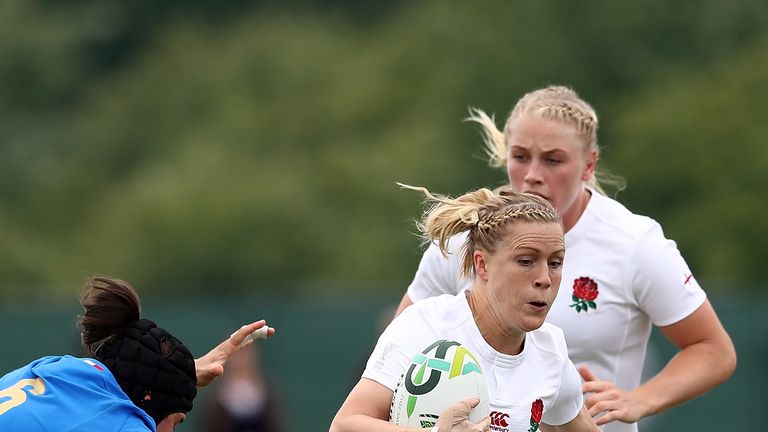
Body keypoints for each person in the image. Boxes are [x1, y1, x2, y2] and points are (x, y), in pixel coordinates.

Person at [395, 86, 737, 431]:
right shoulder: (469, 235)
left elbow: (713, 350)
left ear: (588, 165)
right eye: (520, 156)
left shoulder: (635, 244)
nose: (532, 174)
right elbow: (400, 349)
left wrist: (639, 399)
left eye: (553, 160)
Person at [330, 187, 599, 432]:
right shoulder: (425, 325)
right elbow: (344, 426)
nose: (545, 278)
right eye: (526, 260)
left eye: (555, 262)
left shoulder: (550, 350)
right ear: (481, 265)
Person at [0, 276, 275, 431]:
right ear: (147, 400)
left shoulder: (58, 368)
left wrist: (177, 375)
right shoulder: (126, 426)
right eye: (176, 424)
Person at [202, 345, 288, 432]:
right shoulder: (217, 398)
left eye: (245, 354)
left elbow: (274, 424)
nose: (241, 359)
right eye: (237, 355)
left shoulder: (267, 393)